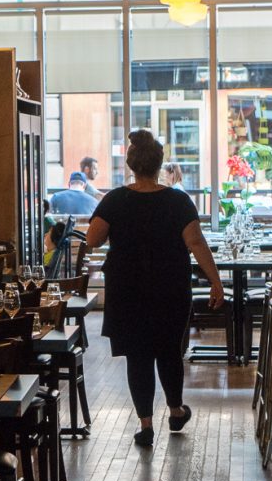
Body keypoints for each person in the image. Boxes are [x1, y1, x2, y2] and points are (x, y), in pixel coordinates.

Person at [86, 129, 224, 446]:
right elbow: (196, 243)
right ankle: (175, 410)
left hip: (127, 290)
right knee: (169, 351)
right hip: (170, 288)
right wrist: (215, 281)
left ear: (131, 165)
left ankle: (146, 424)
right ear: (159, 164)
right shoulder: (178, 201)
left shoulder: (115, 200)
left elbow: (93, 239)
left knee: (138, 356)